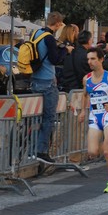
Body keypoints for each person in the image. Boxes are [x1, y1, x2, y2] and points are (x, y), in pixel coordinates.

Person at [79, 47, 108, 193]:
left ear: (101, 60)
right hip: (95, 116)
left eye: (93, 59)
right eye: (88, 59)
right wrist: (82, 111)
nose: (90, 62)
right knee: (92, 152)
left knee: (106, 152)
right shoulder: (86, 78)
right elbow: (85, 95)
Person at [32, 11, 73, 164]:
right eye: (60, 25)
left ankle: (31, 149)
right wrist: (65, 50)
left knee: (34, 117)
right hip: (47, 82)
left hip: (35, 79)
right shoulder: (49, 38)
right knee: (48, 118)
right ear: (57, 24)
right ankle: (41, 151)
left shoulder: (36, 33)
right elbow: (54, 59)